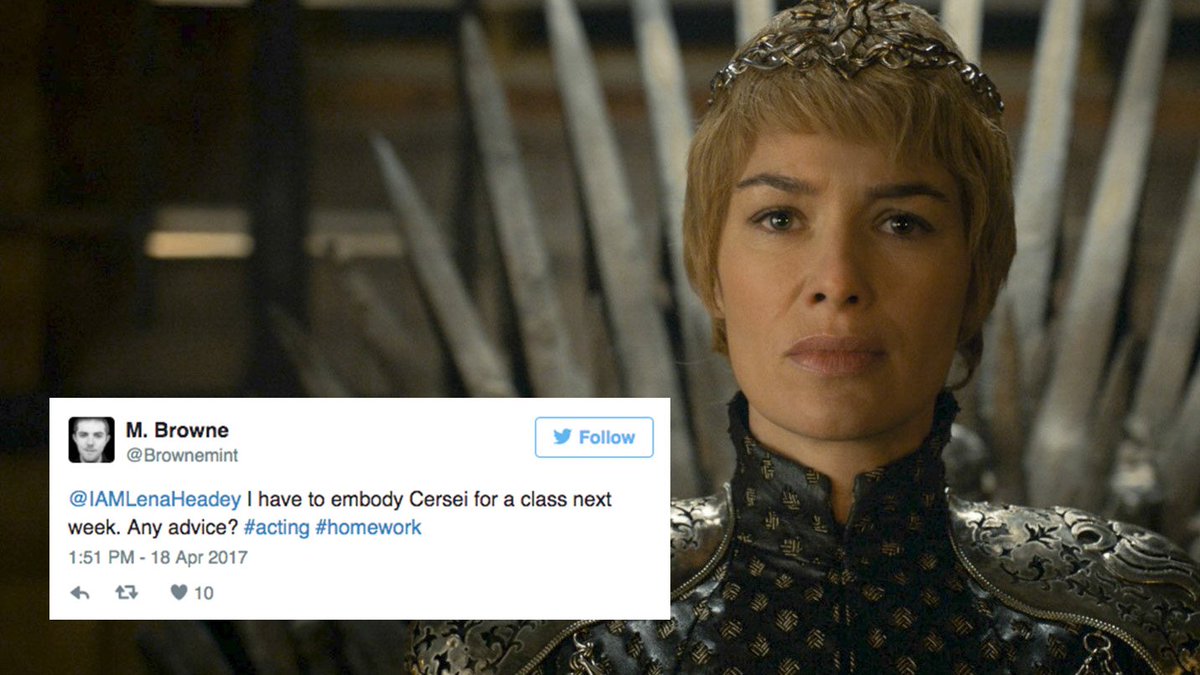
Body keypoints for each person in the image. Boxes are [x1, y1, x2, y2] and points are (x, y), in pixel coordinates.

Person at [407, 2, 1200, 672]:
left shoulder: (1130, 630)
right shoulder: (526, 632)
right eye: (780, 218)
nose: (837, 278)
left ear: (977, 275)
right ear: (711, 271)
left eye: (901, 222)